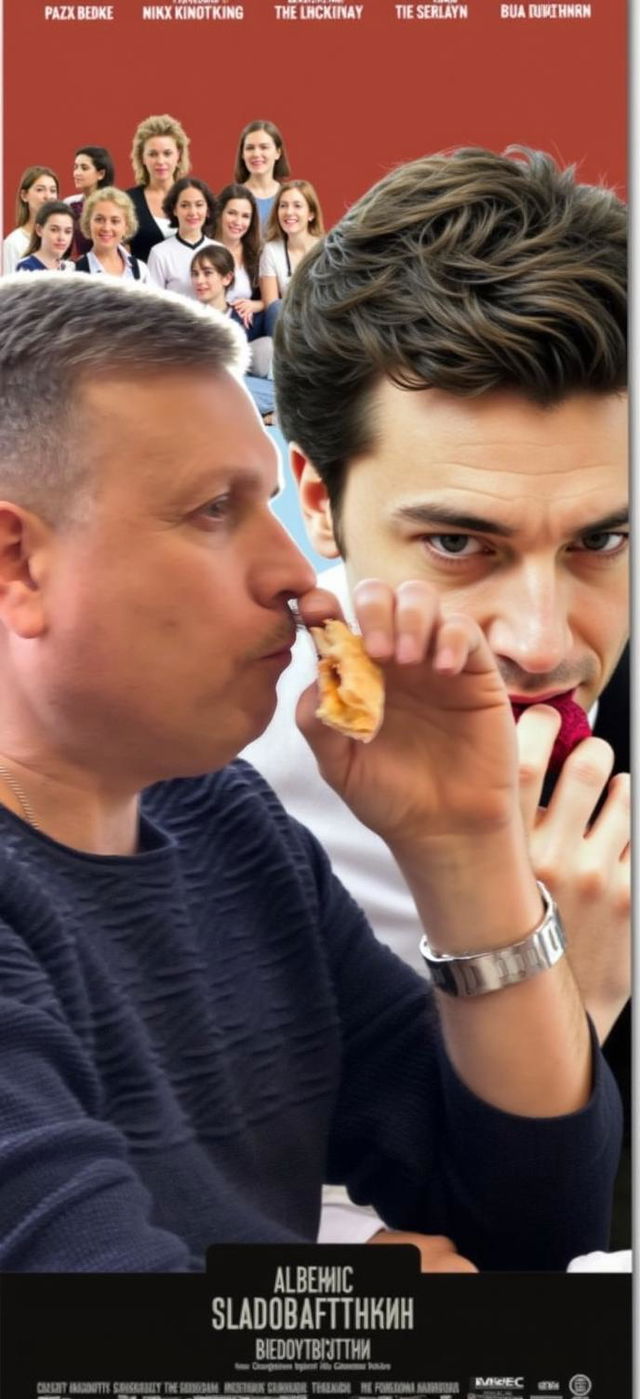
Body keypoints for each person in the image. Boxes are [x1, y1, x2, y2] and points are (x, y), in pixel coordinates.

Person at [0, 274, 621, 1275]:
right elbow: (90, 1339)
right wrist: (379, 1295)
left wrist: (466, 855)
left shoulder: (228, 826)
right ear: (15, 561)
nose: (292, 571)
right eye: (213, 510)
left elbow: (533, 1224)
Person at [246, 146, 630, 1246]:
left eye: (603, 538)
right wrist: (558, 1003)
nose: (542, 640)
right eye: (459, 543)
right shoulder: (187, 775)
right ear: (316, 499)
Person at [190, 243, 274, 417]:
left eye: (207, 273)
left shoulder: (245, 317)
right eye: (195, 274)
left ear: (227, 278)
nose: (199, 281)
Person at [126, 113, 191, 263]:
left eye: (167, 153)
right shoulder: (128, 202)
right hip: (143, 285)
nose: (160, 161)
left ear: (179, 156)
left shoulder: (196, 197)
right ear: (142, 158)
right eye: (153, 154)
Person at [259, 179, 324, 328]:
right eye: (283, 206)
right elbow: (271, 306)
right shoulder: (271, 250)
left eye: (297, 206)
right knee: (276, 308)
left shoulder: (325, 249)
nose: (289, 212)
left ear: (311, 214)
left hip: (321, 324)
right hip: (289, 325)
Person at [147, 177, 218, 296]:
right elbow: (153, 303)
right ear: (174, 209)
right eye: (185, 205)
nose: (193, 212)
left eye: (199, 205)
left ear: (208, 210)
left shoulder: (219, 250)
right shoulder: (159, 254)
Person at [215, 183, 265, 331]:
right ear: (220, 213)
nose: (238, 222)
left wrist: (255, 305)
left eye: (245, 216)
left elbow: (271, 299)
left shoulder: (257, 254)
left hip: (246, 325)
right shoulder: (205, 249)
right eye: (232, 213)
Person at [74, 188, 149, 281]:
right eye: (99, 219)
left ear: (126, 226)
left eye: (115, 221)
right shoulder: (75, 273)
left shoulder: (141, 270)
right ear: (88, 223)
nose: (106, 228)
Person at [2, 165, 59, 274]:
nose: (48, 196)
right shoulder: (14, 243)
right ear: (24, 195)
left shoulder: (61, 239)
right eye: (40, 190)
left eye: (53, 190)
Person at [234, 119, 290, 227]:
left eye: (264, 147)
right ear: (242, 154)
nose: (256, 153)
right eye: (250, 148)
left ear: (278, 153)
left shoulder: (291, 197)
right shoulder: (230, 199)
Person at [65, 145, 116, 257]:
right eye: (75, 167)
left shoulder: (115, 206)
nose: (77, 173)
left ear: (101, 174)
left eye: (84, 168)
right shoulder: (69, 204)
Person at [16, 201, 75, 273]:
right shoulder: (26, 268)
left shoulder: (70, 268)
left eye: (67, 231)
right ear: (39, 230)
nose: (61, 237)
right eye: (54, 230)